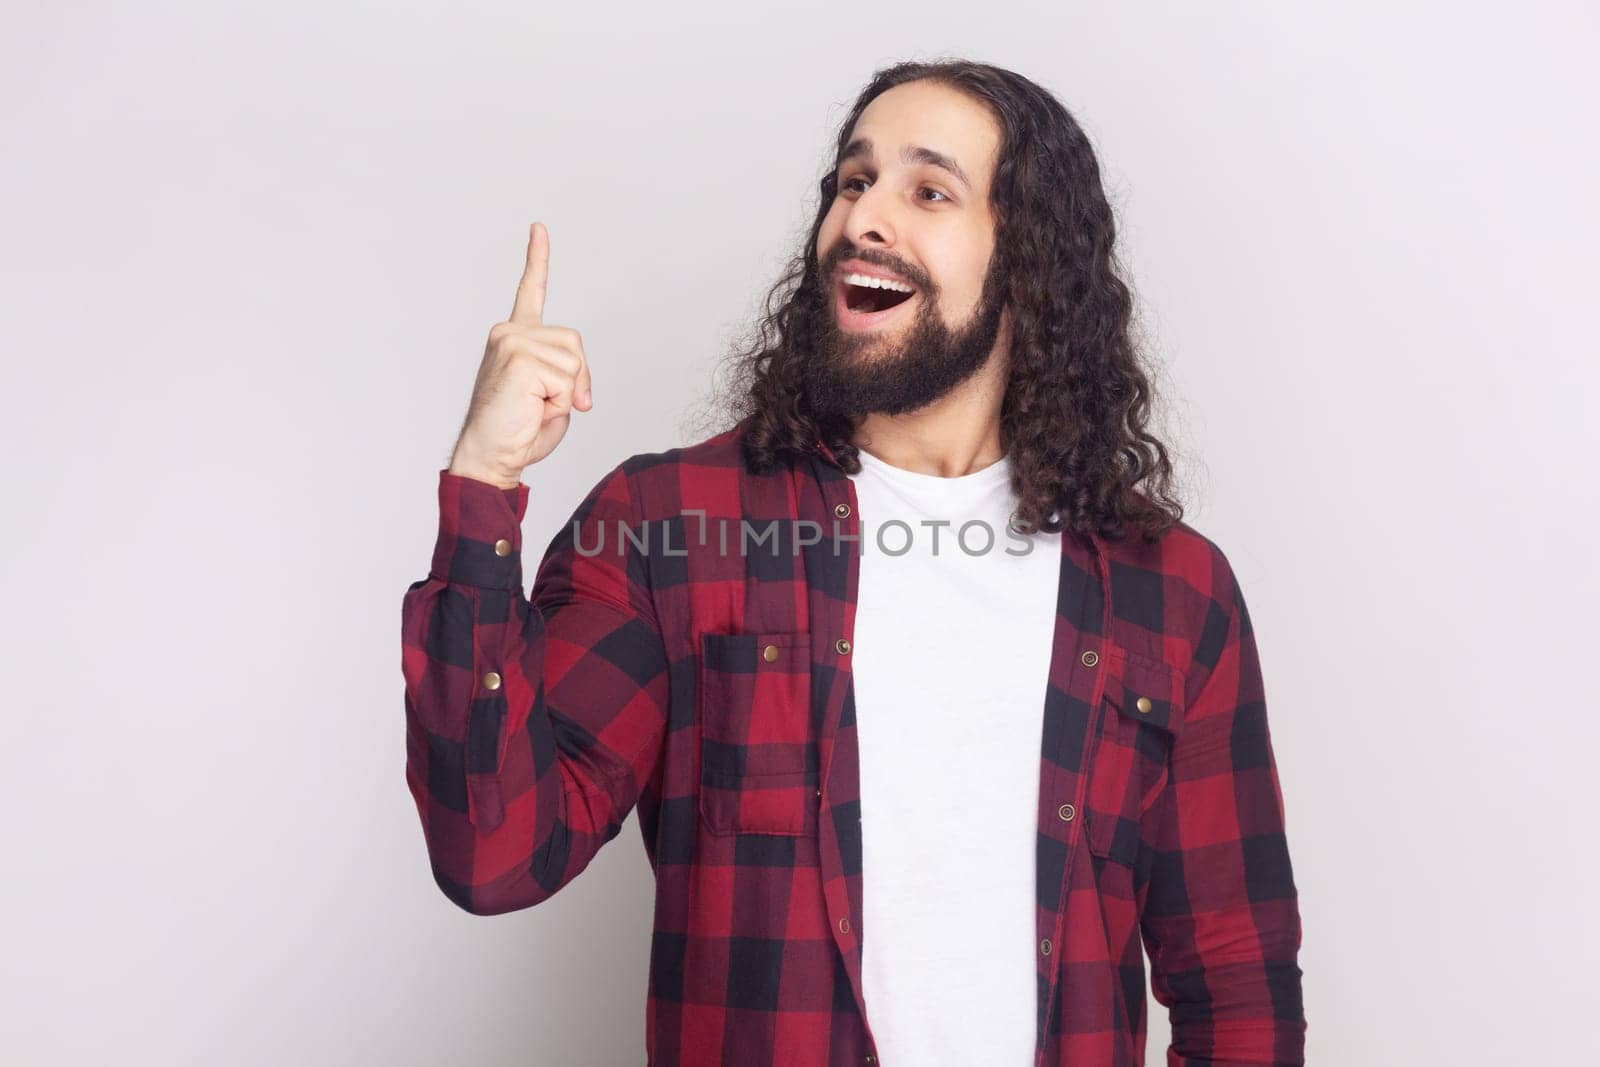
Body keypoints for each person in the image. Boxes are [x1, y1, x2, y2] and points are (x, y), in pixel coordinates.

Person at [401, 58, 1306, 1067]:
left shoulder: (1169, 590)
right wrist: (483, 480)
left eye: (928, 190)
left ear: (1029, 259)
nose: (864, 218)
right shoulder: (672, 525)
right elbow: (493, 850)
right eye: (851, 181)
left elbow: (1235, 980)